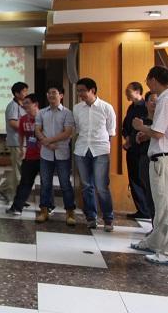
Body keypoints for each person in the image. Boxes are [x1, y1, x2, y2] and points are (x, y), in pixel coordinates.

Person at [131, 66, 168, 266]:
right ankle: (156, 242)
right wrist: (147, 133)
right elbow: (163, 132)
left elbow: (158, 132)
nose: (147, 84)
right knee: (162, 205)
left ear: (153, 80)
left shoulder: (166, 101)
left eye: (148, 80)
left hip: (166, 160)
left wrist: (141, 127)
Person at [73, 78, 116, 232]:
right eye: (78, 91)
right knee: (86, 186)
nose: (80, 94)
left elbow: (111, 132)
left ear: (93, 90)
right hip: (82, 150)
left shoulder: (106, 107)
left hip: (100, 151)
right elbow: (78, 129)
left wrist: (104, 147)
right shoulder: (77, 108)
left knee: (101, 186)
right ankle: (91, 218)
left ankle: (108, 219)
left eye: (83, 90)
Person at [34, 85, 76, 225]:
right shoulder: (41, 112)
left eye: (54, 93)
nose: (51, 95)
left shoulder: (67, 113)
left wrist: (48, 141)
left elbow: (67, 132)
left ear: (61, 95)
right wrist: (47, 143)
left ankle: (70, 213)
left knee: (65, 184)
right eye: (49, 93)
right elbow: (37, 130)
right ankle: (44, 211)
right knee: (45, 183)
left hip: (62, 153)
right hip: (46, 153)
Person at [6, 93, 41, 215]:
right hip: (30, 156)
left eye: (27, 103)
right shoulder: (23, 119)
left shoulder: (43, 117)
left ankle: (48, 207)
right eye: (24, 103)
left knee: (46, 183)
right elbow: (21, 135)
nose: (24, 105)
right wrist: (22, 148)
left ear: (35, 104)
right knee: (25, 182)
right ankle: (17, 207)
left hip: (44, 157)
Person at [122, 82, 152, 220]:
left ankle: (147, 209)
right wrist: (127, 137)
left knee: (141, 178)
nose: (126, 94)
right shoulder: (131, 107)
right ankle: (141, 209)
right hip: (132, 148)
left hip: (141, 148)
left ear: (138, 91)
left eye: (129, 91)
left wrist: (132, 139)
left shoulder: (145, 107)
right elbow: (126, 126)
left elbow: (144, 126)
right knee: (133, 178)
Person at [0, 81, 29, 202]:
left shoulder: (22, 105)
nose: (26, 93)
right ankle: (14, 196)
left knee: (20, 170)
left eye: (26, 91)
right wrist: (28, 127)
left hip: (23, 142)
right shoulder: (13, 106)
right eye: (24, 91)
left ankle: (5, 189)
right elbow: (13, 123)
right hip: (16, 142)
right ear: (16, 93)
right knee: (18, 170)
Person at [134, 91, 157, 221]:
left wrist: (147, 134)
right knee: (148, 191)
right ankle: (154, 222)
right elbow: (136, 139)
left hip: (159, 159)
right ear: (146, 103)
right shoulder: (141, 120)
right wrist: (139, 135)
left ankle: (159, 225)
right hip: (144, 158)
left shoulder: (161, 121)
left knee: (158, 194)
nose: (155, 103)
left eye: (157, 100)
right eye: (152, 100)